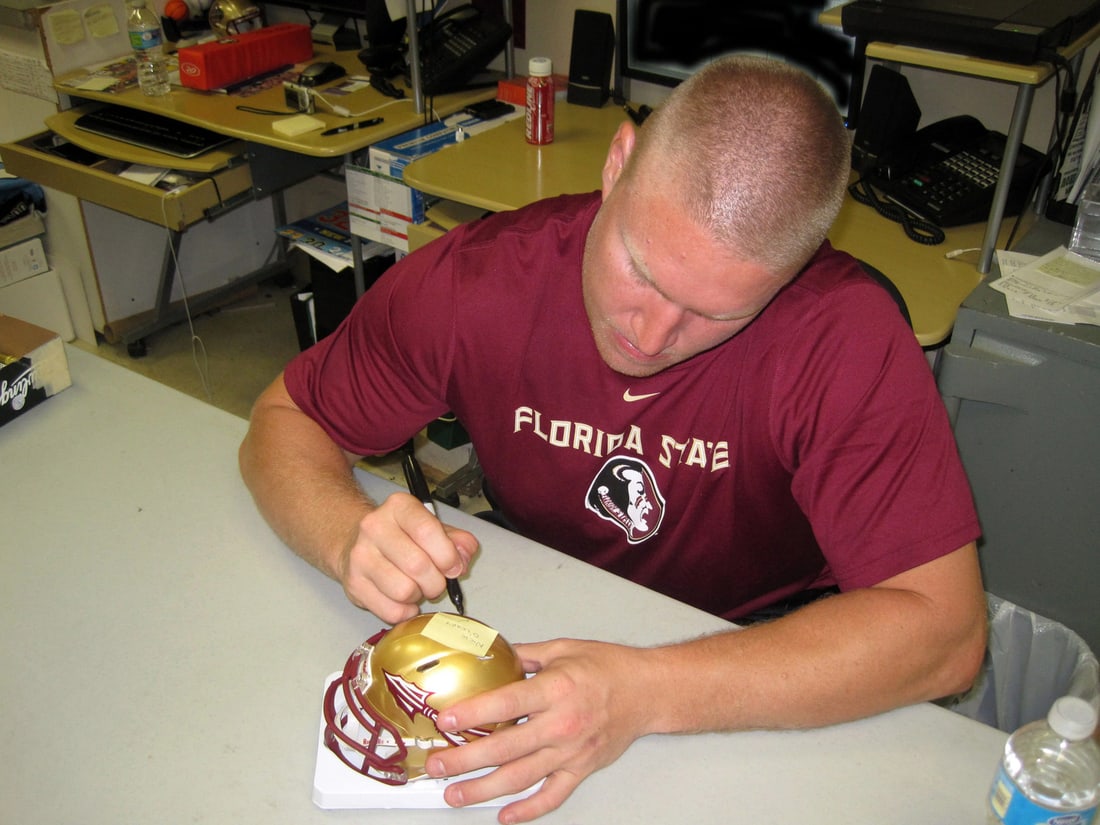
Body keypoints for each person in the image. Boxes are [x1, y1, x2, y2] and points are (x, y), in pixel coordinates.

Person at [240, 55, 987, 823]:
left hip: (757, 642)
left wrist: (646, 691)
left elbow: (947, 631)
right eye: (644, 270)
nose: (652, 334)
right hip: (533, 590)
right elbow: (284, 419)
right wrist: (346, 532)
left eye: (717, 313)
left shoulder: (844, 339)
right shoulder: (482, 283)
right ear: (618, 162)